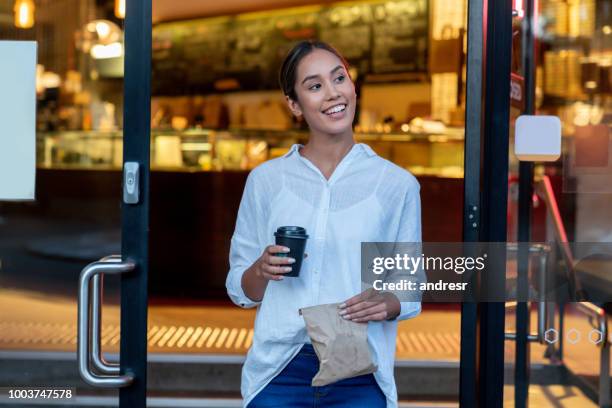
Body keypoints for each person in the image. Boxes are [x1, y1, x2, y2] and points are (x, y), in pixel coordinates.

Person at [226, 40, 422, 408]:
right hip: (278, 372)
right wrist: (261, 269)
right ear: (295, 105)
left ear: (353, 85)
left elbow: (409, 284)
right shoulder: (267, 180)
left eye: (339, 79)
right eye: (315, 86)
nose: (333, 93)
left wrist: (390, 302)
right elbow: (240, 288)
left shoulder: (396, 184)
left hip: (359, 373)